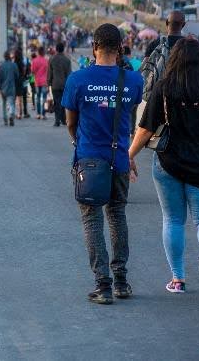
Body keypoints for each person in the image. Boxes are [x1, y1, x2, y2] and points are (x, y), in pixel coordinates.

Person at [130, 38, 199, 297]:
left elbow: (145, 129)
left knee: (173, 220)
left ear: (174, 59)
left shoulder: (163, 88)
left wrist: (129, 155)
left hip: (167, 163)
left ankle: (178, 279)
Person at [62, 24, 143, 305]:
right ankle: (121, 280)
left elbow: (70, 123)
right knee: (117, 216)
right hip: (119, 158)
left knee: (92, 219)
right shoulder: (133, 81)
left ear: (93, 46)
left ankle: (103, 285)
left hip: (89, 160)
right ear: (120, 48)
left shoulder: (78, 80)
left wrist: (79, 141)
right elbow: (127, 118)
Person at [47, 42, 72, 127]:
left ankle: (57, 120)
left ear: (56, 49)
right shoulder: (67, 60)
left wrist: (49, 82)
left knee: (56, 102)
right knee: (64, 102)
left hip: (55, 84)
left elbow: (50, 73)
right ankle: (64, 120)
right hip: (64, 84)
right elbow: (69, 74)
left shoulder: (52, 59)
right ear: (63, 49)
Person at [0, 51, 19, 126]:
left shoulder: (0, 66)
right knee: (11, 103)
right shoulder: (14, 65)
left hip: (3, 88)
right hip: (11, 87)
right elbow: (17, 76)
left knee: (3, 104)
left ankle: (5, 120)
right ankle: (11, 114)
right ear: (9, 57)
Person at [30, 46, 49, 120]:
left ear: (38, 52)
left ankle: (38, 114)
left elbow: (32, 71)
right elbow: (48, 72)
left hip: (37, 81)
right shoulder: (46, 61)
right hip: (44, 82)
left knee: (37, 98)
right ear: (43, 52)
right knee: (44, 98)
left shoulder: (34, 61)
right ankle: (43, 114)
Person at [13, 48, 28, 120]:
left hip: (15, 81)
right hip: (22, 81)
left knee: (13, 98)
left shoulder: (14, 63)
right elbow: (24, 72)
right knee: (20, 97)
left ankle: (13, 112)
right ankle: (20, 113)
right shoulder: (22, 63)